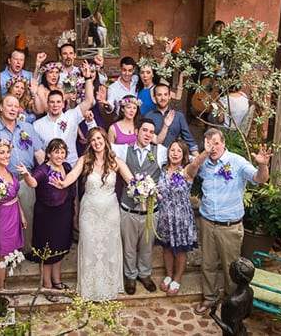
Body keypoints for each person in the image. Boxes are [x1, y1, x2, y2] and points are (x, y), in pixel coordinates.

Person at [190, 128, 271, 315]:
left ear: (223, 143)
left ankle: (232, 301)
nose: (213, 147)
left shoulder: (237, 162)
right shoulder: (203, 163)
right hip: (207, 222)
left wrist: (262, 165)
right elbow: (191, 171)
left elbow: (259, 179)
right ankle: (209, 298)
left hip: (230, 227)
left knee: (232, 268)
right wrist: (203, 153)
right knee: (208, 264)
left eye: (216, 143)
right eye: (209, 144)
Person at [51, 127, 134, 301]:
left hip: (110, 212)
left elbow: (131, 181)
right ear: (89, 143)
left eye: (99, 139)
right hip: (89, 212)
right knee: (90, 247)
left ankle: (108, 287)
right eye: (93, 140)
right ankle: (90, 288)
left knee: (109, 247)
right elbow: (72, 175)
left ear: (105, 140)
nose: (97, 143)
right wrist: (63, 183)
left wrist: (144, 188)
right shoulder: (84, 160)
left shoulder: (116, 161)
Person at [0, 94, 45, 251]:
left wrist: (43, 180)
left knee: (28, 217)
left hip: (25, 180)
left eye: (16, 106)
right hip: (3, 185)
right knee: (6, 221)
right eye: (9, 105)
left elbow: (39, 155)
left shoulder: (27, 128)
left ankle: (27, 250)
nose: (13, 109)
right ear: (1, 107)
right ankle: (8, 254)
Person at [112, 118, 168, 295]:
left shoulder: (159, 151)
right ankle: (130, 276)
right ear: (137, 131)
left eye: (151, 132)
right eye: (145, 130)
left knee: (147, 246)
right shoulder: (123, 149)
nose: (148, 135)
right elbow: (104, 148)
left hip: (151, 211)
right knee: (128, 246)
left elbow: (179, 154)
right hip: (128, 209)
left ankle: (144, 274)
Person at [16, 139, 76, 303]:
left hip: (64, 214)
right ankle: (47, 284)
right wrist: (27, 175)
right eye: (56, 151)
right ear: (49, 153)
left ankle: (57, 280)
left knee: (60, 248)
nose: (59, 155)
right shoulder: (43, 169)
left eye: (62, 152)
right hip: (47, 216)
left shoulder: (67, 167)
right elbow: (33, 183)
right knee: (47, 251)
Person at [0, 139, 27, 292]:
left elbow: (15, 195)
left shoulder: (7, 170)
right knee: (1, 257)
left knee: (9, 254)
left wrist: (21, 213)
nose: (7, 155)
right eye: (2, 153)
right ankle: (1, 294)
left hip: (14, 214)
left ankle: (3, 283)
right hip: (1, 220)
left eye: (7, 152)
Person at [156, 139, 200, 297]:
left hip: (181, 218)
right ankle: (168, 275)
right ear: (168, 153)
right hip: (164, 217)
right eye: (172, 150)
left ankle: (177, 278)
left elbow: (196, 165)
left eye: (178, 151)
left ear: (184, 155)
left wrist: (205, 153)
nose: (175, 153)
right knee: (166, 248)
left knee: (180, 251)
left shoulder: (187, 170)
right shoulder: (162, 170)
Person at [33, 62, 96, 167]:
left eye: (58, 102)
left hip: (71, 166)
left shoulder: (71, 116)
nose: (55, 105)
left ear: (63, 104)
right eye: (52, 102)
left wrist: (88, 78)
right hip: (49, 171)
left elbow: (89, 101)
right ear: (47, 104)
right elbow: (38, 153)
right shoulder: (37, 125)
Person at [145, 83, 199, 157]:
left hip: (174, 156)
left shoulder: (178, 116)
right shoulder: (148, 116)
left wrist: (198, 159)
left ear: (169, 96)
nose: (163, 98)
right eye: (159, 95)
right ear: (154, 97)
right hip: (153, 157)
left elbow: (189, 140)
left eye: (165, 94)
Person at [210, 257, 255, 336]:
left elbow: (231, 331)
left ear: (237, 277)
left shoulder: (232, 301)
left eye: (231, 272)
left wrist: (213, 315)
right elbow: (248, 314)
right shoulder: (250, 291)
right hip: (242, 330)